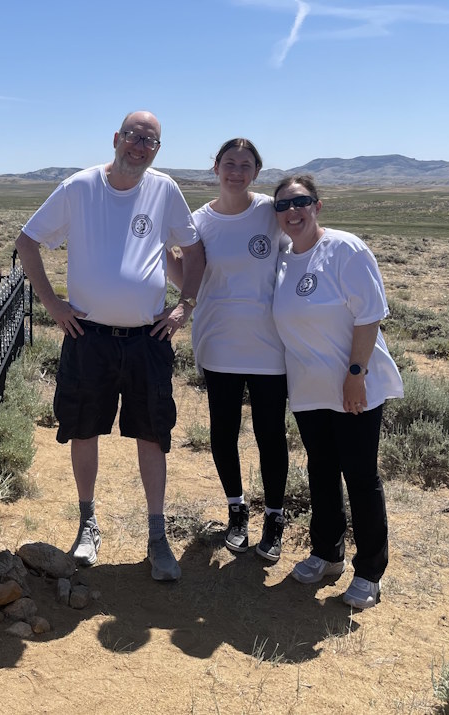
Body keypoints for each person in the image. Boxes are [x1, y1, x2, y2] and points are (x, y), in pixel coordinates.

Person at [14, 110, 205, 581]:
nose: (140, 147)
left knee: (152, 434)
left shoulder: (164, 190)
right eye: (135, 136)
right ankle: (87, 524)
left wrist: (185, 305)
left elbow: (194, 250)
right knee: (84, 429)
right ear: (117, 138)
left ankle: (157, 537)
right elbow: (27, 242)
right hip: (88, 337)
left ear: (157, 150)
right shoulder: (79, 187)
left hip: (147, 339)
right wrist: (51, 303)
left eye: (150, 141)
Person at [270, 174, 404, 609]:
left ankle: (369, 572)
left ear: (317, 205)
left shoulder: (345, 248)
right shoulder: (284, 260)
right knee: (321, 470)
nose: (292, 211)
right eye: (283, 205)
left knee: (360, 476)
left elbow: (370, 315)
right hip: (309, 389)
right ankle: (327, 553)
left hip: (353, 386)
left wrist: (355, 374)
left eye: (300, 202)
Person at [180, 139, 291, 562]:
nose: (236, 172)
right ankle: (236, 511)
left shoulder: (270, 211)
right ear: (216, 167)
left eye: (246, 165)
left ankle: (275, 517)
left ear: (256, 172)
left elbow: (302, 245)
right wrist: (166, 253)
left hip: (269, 344)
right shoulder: (198, 222)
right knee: (223, 432)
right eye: (229, 163)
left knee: (270, 434)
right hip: (219, 341)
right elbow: (189, 281)